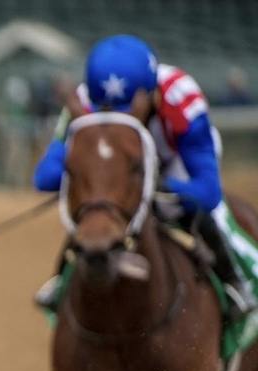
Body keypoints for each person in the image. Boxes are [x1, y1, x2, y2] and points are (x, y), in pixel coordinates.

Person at [33, 34, 258, 320]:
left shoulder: (181, 98)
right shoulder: (83, 104)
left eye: (126, 112)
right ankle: (61, 279)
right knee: (95, 206)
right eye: (106, 111)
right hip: (121, 172)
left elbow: (208, 191)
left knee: (205, 214)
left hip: (173, 162)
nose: (116, 120)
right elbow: (45, 178)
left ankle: (236, 281)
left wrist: (154, 187)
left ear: (153, 95)